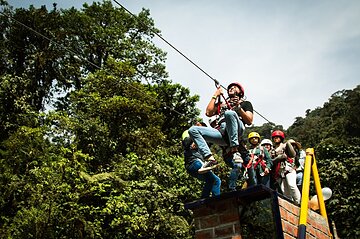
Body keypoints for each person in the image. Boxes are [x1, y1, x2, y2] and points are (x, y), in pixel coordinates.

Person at [188, 82, 253, 174]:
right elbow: (208, 113)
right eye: (230, 87)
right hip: (222, 132)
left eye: (235, 87)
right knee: (193, 130)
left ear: (240, 92)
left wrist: (239, 108)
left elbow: (249, 121)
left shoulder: (245, 104)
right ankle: (209, 158)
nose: (232, 88)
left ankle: (235, 151)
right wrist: (215, 95)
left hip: (237, 129)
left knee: (229, 113)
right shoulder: (222, 104)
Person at [182, 130, 221, 198]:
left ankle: (204, 199)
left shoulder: (198, 149)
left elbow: (208, 143)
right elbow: (187, 142)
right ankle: (217, 200)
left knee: (210, 180)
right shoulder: (188, 146)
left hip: (191, 169)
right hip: (195, 164)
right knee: (216, 180)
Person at [271, 130, 301, 204]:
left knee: (292, 185)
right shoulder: (273, 149)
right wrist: (278, 158)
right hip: (280, 172)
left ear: (281, 138)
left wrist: (289, 144)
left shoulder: (285, 146)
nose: (276, 139)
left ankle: (298, 202)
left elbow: (292, 154)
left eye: (278, 137)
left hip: (289, 168)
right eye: (274, 138)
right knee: (284, 190)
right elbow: (271, 161)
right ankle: (290, 203)